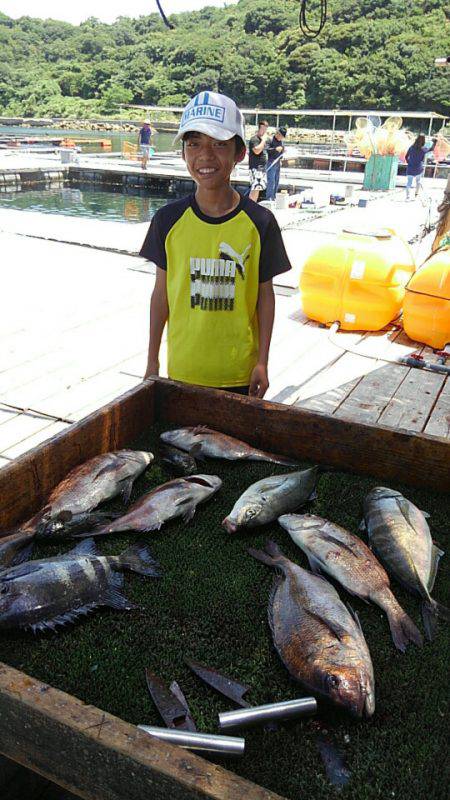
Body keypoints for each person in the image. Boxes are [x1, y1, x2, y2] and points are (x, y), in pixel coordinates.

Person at [139, 91, 291, 398]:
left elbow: (265, 296)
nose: (205, 155)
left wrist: (262, 361)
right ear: (183, 153)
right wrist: (152, 360)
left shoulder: (261, 223)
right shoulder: (167, 220)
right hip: (182, 370)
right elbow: (161, 293)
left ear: (239, 153)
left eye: (219, 144)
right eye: (194, 144)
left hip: (239, 373)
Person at [405, 134, 437, 201]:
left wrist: (409, 162)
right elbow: (431, 149)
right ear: (423, 141)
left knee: (409, 182)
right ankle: (416, 195)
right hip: (418, 168)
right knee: (418, 182)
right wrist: (434, 142)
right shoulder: (423, 149)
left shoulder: (411, 148)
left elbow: (406, 156)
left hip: (410, 167)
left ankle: (407, 197)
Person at [248, 119, 269, 202]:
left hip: (262, 168)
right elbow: (257, 151)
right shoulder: (254, 139)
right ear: (259, 128)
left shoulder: (262, 141)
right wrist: (263, 140)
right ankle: (251, 206)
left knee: (258, 188)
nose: (264, 131)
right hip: (256, 168)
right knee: (255, 188)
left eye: (266, 129)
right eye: (263, 129)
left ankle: (253, 205)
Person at [266, 126, 287, 201]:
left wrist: (283, 152)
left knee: (277, 180)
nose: (281, 138)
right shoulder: (270, 139)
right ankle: (269, 198)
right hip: (271, 162)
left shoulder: (281, 142)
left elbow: (282, 150)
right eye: (281, 136)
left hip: (278, 162)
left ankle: (274, 197)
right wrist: (275, 149)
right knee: (271, 181)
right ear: (278, 134)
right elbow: (267, 150)